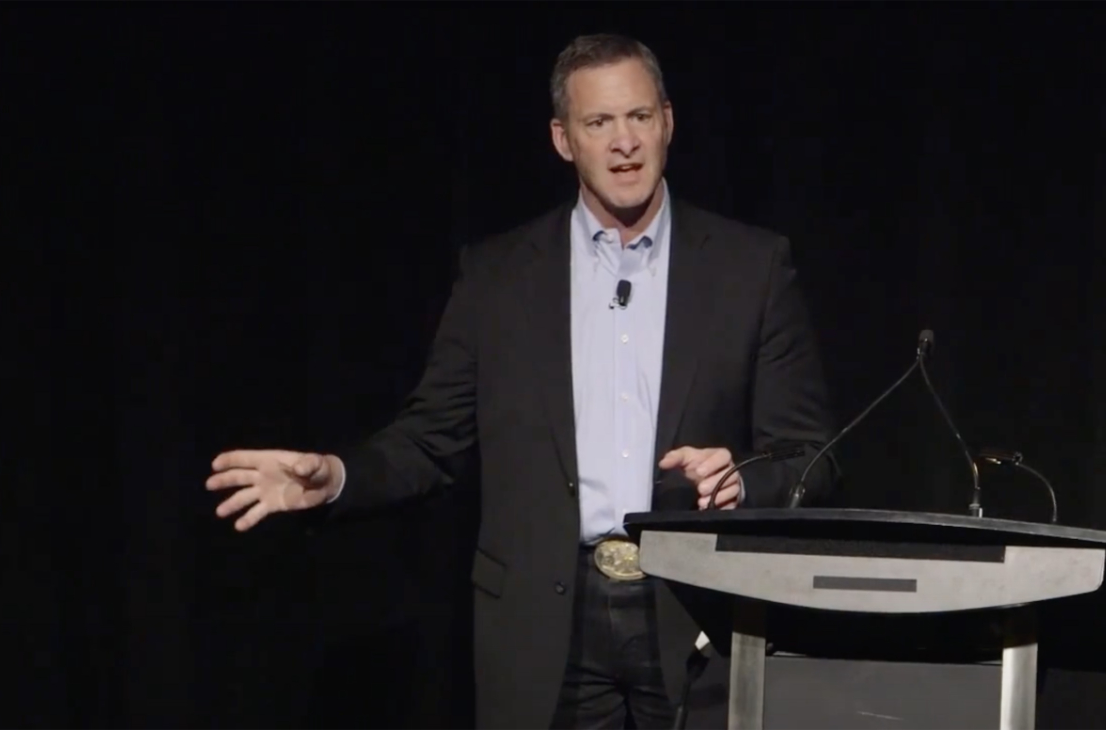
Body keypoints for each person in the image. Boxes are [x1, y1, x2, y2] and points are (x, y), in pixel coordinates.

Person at [206, 33, 833, 730]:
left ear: (669, 122)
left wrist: (743, 480)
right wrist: (337, 476)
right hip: (547, 625)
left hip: (696, 616)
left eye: (639, 117)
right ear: (564, 140)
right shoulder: (498, 278)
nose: (624, 142)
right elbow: (429, 442)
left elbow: (812, 456)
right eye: (599, 123)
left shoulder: (751, 268)